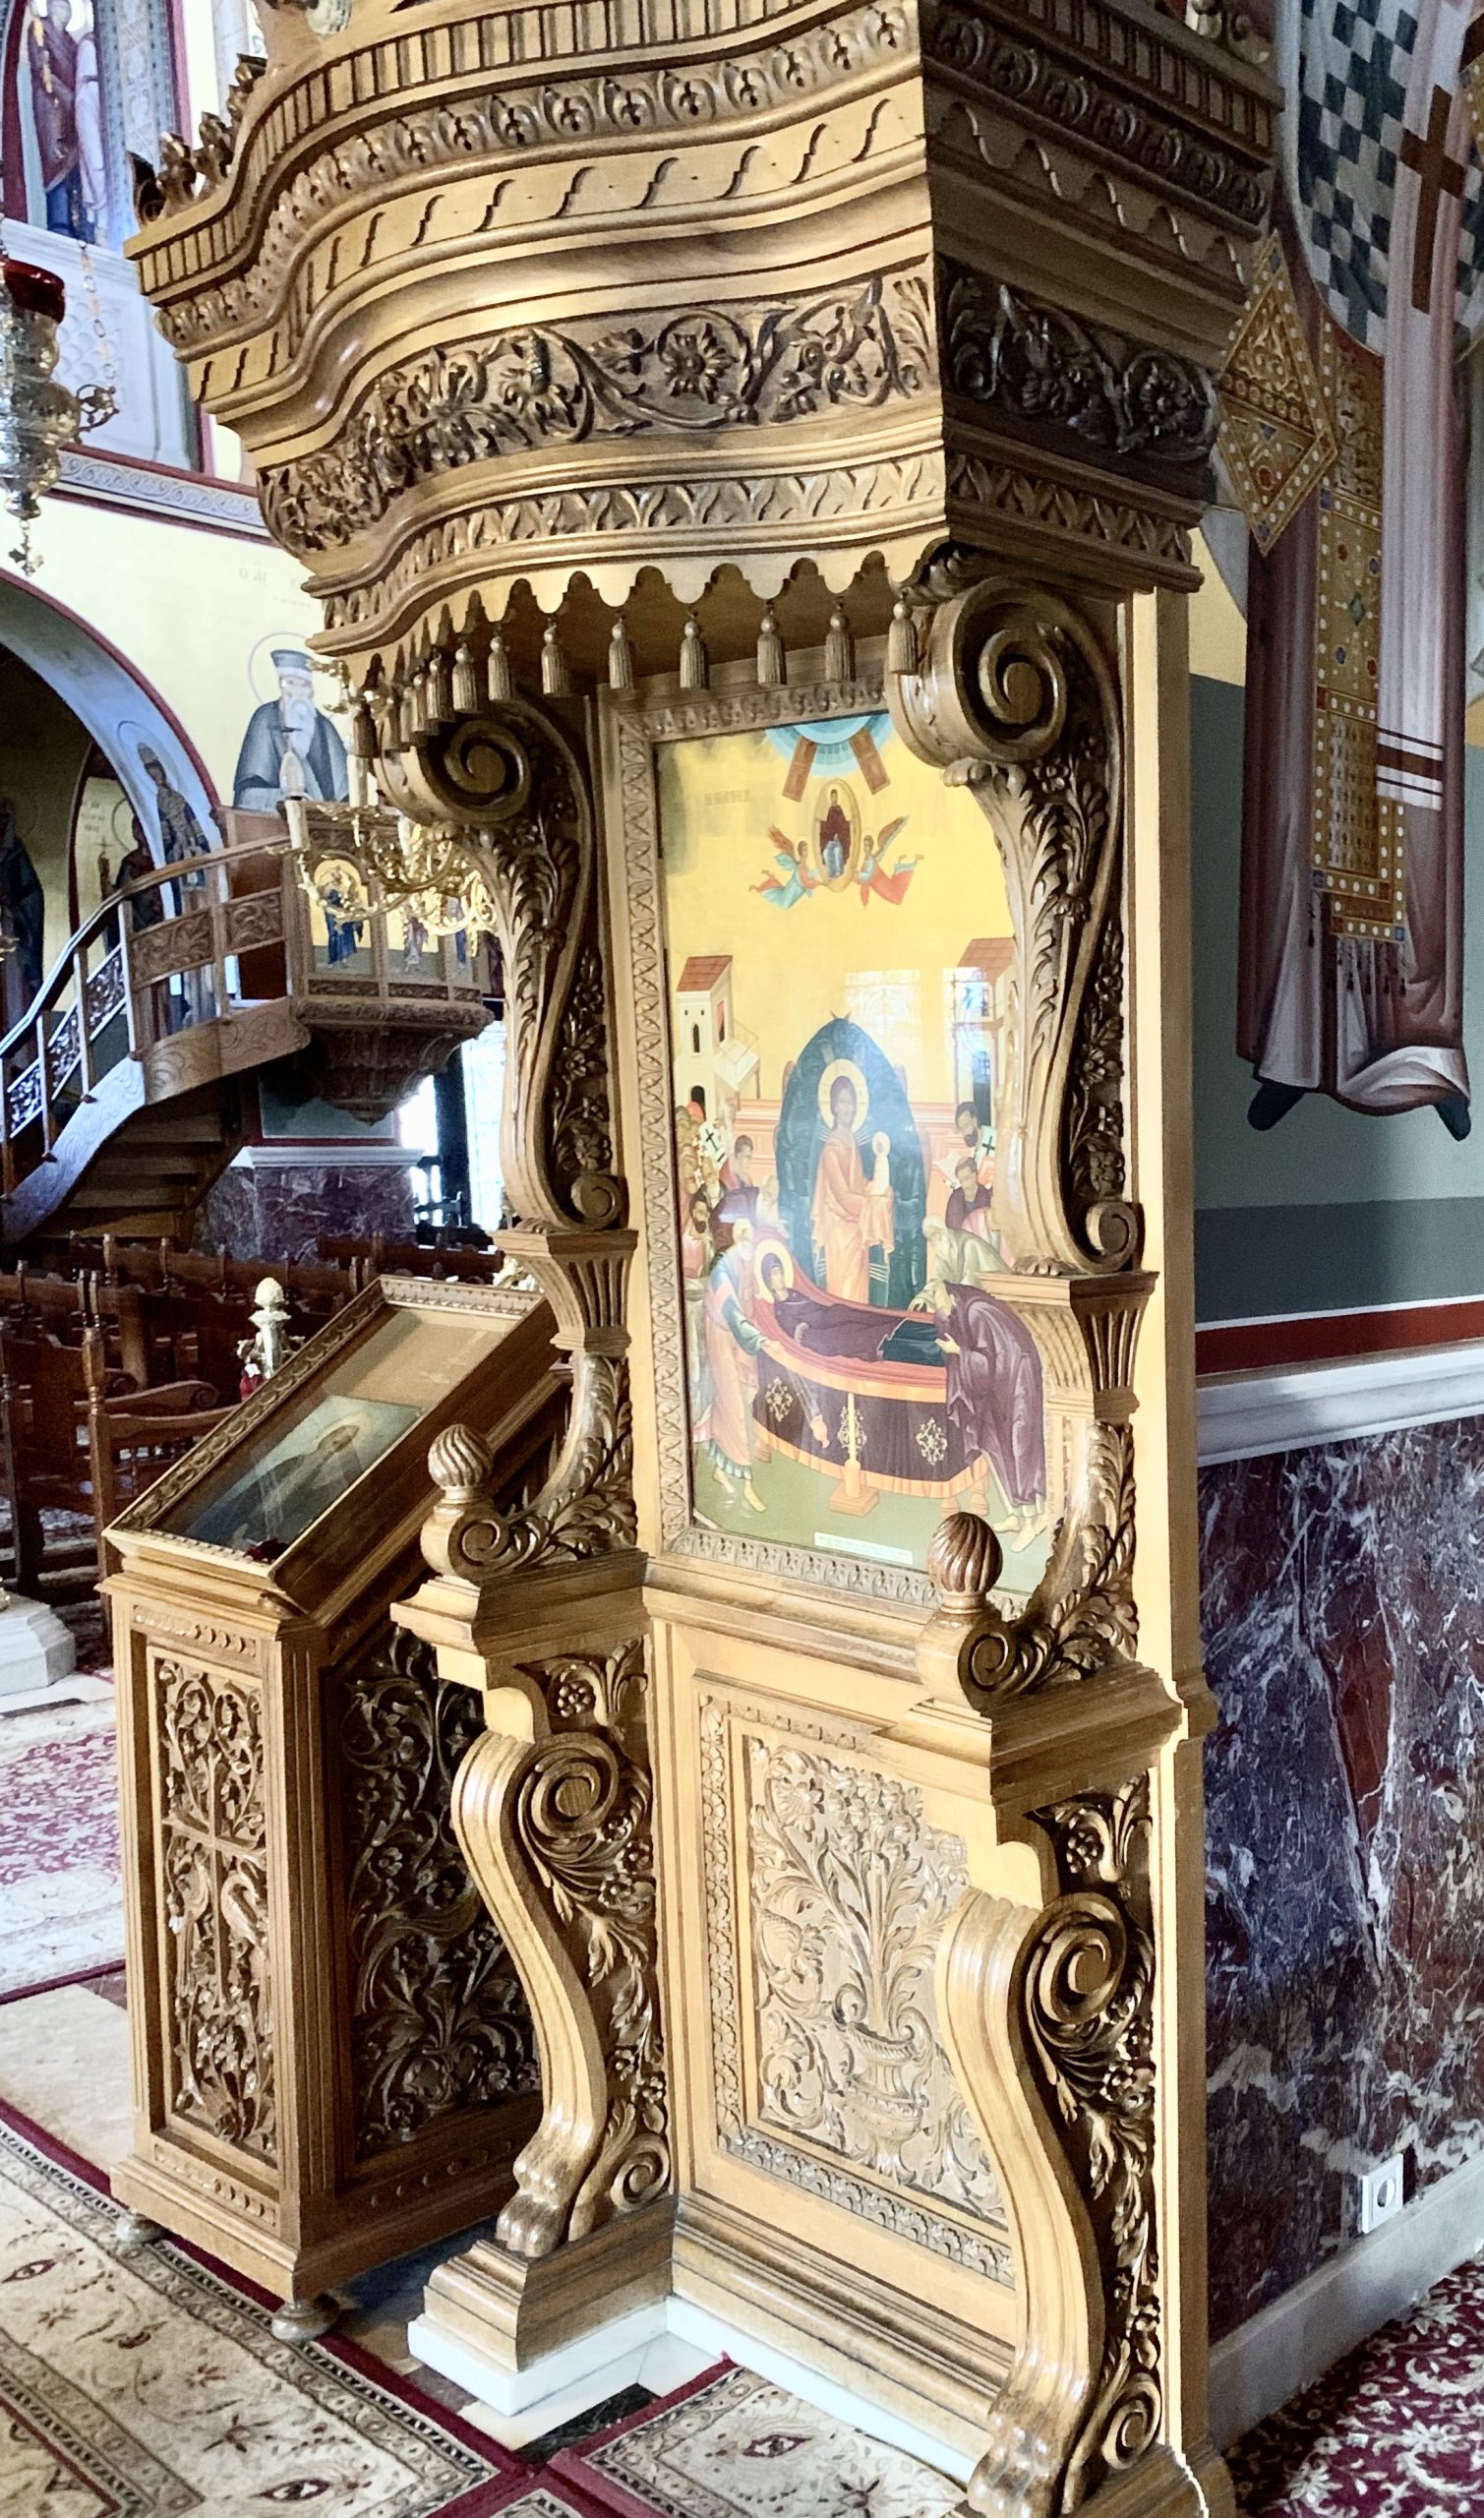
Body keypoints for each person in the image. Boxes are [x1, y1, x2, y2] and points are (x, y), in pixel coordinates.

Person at [697, 1221, 767, 1511]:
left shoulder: (747, 1262)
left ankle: (720, 1469)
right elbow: (731, 1311)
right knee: (734, 1406)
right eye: (748, 1236)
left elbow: (755, 1301)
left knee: (741, 1401)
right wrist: (758, 1339)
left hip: (739, 1339)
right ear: (739, 1237)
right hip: (723, 1337)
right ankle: (746, 1483)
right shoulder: (724, 1268)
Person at [809, 1073, 893, 1303]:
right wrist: (872, 1203)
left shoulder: (852, 1140)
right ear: (834, 1106)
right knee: (844, 1293)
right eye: (843, 1101)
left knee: (859, 1293)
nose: (848, 1108)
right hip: (839, 1231)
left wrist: (878, 1190)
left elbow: (858, 1183)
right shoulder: (831, 1150)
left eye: (851, 1102)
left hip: (857, 1228)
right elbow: (843, 1196)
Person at [233, 649, 348, 811]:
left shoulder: (325, 727)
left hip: (324, 822)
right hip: (276, 821)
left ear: (312, 690)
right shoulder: (265, 718)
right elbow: (247, 796)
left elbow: (345, 794)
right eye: (291, 683)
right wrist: (290, 799)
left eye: (304, 685)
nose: (298, 692)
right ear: (280, 685)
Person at [30, 0, 103, 244]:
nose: (66, 12)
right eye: (61, 6)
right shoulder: (39, 29)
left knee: (79, 167)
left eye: (68, 7)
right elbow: (43, 71)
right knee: (56, 166)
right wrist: (69, 96)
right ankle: (59, 225)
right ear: (51, 7)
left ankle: (82, 227)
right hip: (51, 109)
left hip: (73, 112)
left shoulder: (71, 41)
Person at [0, 800, 45, 1006]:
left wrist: (11, 902)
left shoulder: (16, 851)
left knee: (13, 975)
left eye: (5, 818)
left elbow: (32, 892)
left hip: (11, 922)